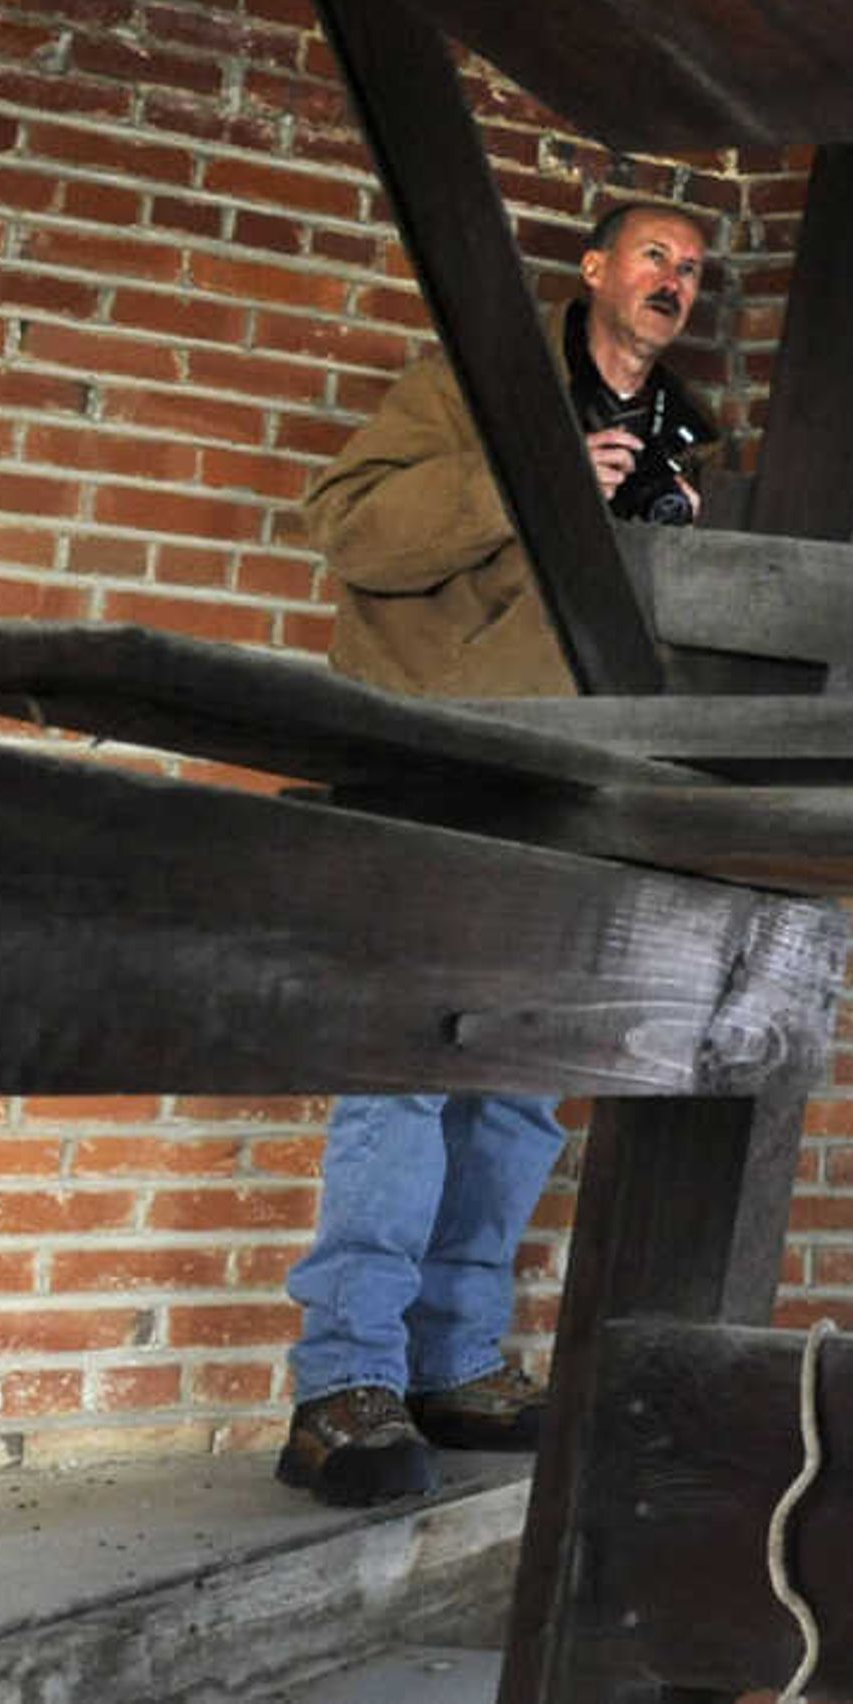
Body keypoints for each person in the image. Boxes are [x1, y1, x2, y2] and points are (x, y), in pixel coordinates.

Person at [273, 198, 722, 1506]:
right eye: (655, 254)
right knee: (400, 1076)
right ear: (593, 270)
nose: (676, 280)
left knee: (520, 1089)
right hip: (434, 763)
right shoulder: (473, 389)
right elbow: (347, 528)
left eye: (694, 268)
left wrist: (675, 546)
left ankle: (455, 1365)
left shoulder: (686, 434)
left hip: (575, 786)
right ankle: (340, 1391)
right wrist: (519, 480)